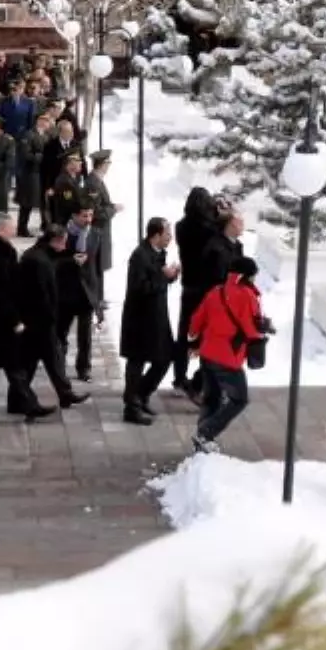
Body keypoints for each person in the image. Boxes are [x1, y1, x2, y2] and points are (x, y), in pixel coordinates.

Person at [0, 212, 54, 420]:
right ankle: (27, 404)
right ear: (1, 229)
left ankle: (24, 403)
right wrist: (15, 319)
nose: (14, 229)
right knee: (6, 363)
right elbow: (2, 291)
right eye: (11, 226)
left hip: (3, 316)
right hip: (1, 319)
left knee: (10, 364)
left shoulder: (0, 250)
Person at [188, 255, 267, 454]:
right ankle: (206, 433)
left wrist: (193, 341)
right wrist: (262, 332)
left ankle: (202, 439)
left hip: (208, 354)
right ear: (246, 276)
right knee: (239, 399)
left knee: (211, 398)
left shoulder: (216, 291)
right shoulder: (247, 295)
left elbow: (196, 320)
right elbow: (251, 328)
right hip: (228, 358)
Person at [16, 222, 86, 408]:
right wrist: (50, 317)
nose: (64, 248)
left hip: (38, 319)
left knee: (50, 357)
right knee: (32, 361)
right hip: (39, 319)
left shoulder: (39, 255)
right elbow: (41, 293)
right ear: (55, 241)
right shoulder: (38, 260)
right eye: (63, 243)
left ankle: (65, 393)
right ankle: (19, 399)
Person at [119, 218, 179, 424]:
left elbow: (157, 280)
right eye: (167, 234)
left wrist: (170, 276)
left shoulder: (159, 253)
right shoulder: (140, 256)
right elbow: (141, 287)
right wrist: (164, 277)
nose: (170, 238)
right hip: (140, 318)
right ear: (156, 235)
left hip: (158, 316)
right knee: (136, 362)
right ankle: (131, 407)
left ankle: (141, 394)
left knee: (164, 358)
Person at [173, 186, 220, 395]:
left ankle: (179, 376)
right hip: (206, 288)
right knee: (207, 333)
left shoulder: (181, 227)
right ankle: (202, 377)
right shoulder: (210, 228)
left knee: (184, 333)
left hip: (188, 285)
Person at [55, 203, 102, 383]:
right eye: (84, 216)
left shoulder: (96, 234)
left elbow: (97, 269)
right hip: (66, 290)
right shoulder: (61, 233)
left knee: (86, 335)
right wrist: (70, 261)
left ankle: (84, 368)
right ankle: (59, 365)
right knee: (61, 332)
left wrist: (98, 299)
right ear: (74, 216)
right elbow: (53, 261)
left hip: (86, 292)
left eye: (90, 215)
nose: (88, 219)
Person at [83, 149, 121, 281]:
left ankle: (98, 298)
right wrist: (113, 209)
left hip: (100, 231)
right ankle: (95, 299)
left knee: (98, 268)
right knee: (95, 267)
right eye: (107, 162)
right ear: (101, 164)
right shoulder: (93, 183)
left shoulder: (97, 180)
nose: (109, 165)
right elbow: (96, 211)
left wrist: (111, 206)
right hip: (96, 231)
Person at [16, 111, 54, 237]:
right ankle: (22, 227)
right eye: (42, 119)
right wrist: (41, 157)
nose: (44, 122)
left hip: (43, 173)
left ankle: (46, 225)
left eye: (47, 120)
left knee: (44, 201)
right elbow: (25, 154)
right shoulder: (29, 134)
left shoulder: (48, 135)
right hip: (31, 173)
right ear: (37, 120)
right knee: (27, 203)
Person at [40, 116, 79, 211]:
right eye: (68, 131)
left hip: (71, 185)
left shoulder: (76, 145)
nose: (71, 134)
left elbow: (83, 165)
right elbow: (45, 169)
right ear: (60, 132)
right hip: (55, 185)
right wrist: (48, 187)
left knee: (69, 208)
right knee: (54, 210)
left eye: (72, 131)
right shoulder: (50, 146)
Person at [49, 149, 87, 226]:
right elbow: (69, 203)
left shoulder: (74, 178)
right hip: (67, 223)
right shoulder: (65, 181)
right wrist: (85, 208)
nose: (81, 163)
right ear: (70, 163)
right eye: (78, 160)